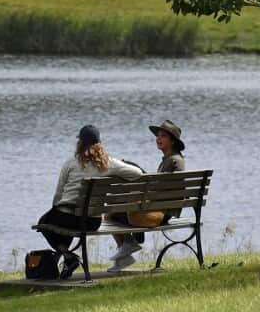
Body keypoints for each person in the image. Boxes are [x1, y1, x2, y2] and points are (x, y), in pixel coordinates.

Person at [37, 125, 142, 278]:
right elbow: (137, 173)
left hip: (69, 218)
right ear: (99, 144)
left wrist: (56, 209)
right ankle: (67, 260)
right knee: (66, 219)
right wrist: (116, 168)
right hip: (93, 220)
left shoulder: (71, 163)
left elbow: (58, 194)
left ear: (80, 143)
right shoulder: (109, 164)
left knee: (44, 223)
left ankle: (68, 256)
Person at [105, 119, 187, 272]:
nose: (158, 138)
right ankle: (128, 247)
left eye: (163, 136)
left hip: (161, 213)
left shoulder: (175, 161)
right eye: (158, 135)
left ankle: (128, 245)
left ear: (173, 141)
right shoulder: (169, 160)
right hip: (156, 208)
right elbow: (162, 188)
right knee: (112, 212)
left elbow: (172, 190)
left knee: (115, 212)